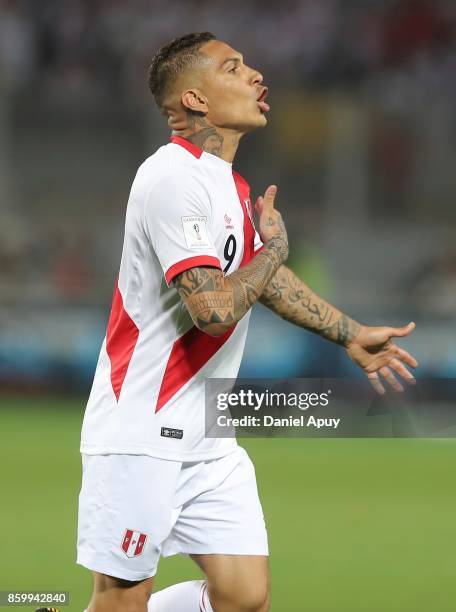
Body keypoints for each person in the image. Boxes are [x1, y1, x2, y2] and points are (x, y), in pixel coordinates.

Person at [75, 32, 418, 612]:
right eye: (234, 68)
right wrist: (272, 251)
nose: (257, 74)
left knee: (243, 597)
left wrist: (351, 334)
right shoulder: (172, 178)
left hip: (208, 436)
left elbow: (266, 282)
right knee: (120, 601)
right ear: (195, 100)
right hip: (142, 429)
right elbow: (213, 310)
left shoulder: (227, 185)